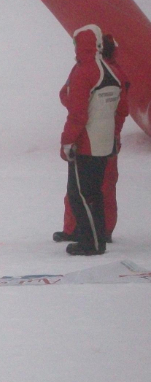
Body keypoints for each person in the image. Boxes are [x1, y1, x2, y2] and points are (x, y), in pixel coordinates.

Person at [59, 25, 129, 256]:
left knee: (80, 193)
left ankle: (90, 242)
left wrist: (67, 141)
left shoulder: (84, 71)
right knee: (96, 193)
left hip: (86, 142)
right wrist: (113, 135)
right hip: (105, 141)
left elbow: (77, 114)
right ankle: (98, 237)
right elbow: (121, 110)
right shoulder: (113, 72)